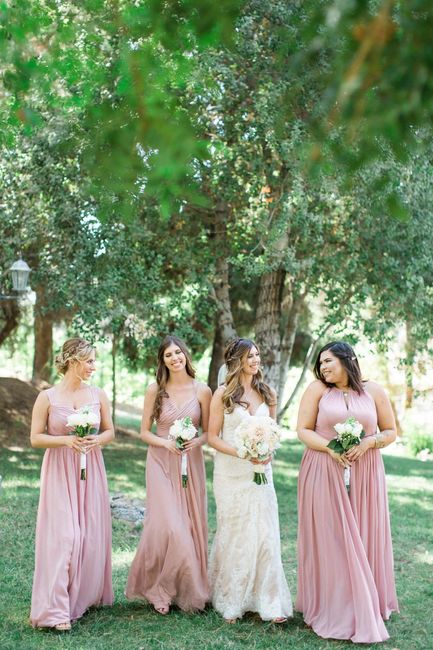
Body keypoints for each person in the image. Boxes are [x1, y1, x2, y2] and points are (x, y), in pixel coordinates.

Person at [296, 340, 399, 643]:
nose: (323, 367)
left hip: (366, 472)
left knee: (363, 534)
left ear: (347, 360)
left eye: (328, 360)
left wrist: (369, 442)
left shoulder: (374, 391)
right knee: (331, 537)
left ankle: (365, 600)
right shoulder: (317, 390)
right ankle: (333, 605)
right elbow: (303, 430)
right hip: (323, 469)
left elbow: (391, 431)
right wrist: (330, 448)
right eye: (320, 363)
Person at [30, 338, 114, 630]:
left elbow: (110, 431)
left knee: (87, 535)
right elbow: (35, 438)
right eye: (89, 361)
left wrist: (95, 439)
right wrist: (66, 441)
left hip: (91, 469)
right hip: (59, 471)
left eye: (94, 361)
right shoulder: (47, 397)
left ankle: (79, 598)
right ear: (72, 361)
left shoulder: (98, 394)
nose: (93, 366)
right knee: (65, 537)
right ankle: (54, 611)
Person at [208, 337, 292, 623]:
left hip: (262, 472)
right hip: (231, 472)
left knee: (265, 533)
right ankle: (232, 599)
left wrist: (266, 454)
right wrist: (244, 453)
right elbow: (212, 437)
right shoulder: (222, 394)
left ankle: (269, 601)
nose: (256, 360)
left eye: (257, 355)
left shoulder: (267, 392)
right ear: (237, 361)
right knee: (236, 532)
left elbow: (273, 432)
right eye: (250, 356)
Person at [125, 335, 211, 614]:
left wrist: (194, 442)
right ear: (162, 361)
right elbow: (144, 432)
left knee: (188, 525)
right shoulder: (155, 390)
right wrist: (166, 444)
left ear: (185, 354)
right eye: (168, 355)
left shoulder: (202, 391)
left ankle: (183, 587)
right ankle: (157, 589)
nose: (175, 358)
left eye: (178, 353)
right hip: (160, 461)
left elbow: (210, 432)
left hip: (190, 462)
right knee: (168, 525)